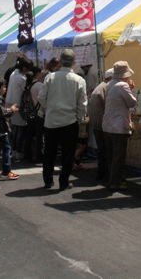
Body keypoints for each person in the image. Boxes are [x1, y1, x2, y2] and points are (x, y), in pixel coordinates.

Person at [38, 49, 87, 190]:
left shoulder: (50, 77)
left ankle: (48, 181)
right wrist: (78, 117)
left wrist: (50, 108)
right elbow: (83, 104)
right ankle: (63, 182)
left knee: (49, 152)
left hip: (51, 120)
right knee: (68, 154)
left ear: (60, 61)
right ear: (73, 62)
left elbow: (41, 97)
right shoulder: (79, 80)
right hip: (70, 121)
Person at [102, 61, 137, 191]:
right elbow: (132, 102)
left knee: (111, 155)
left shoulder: (110, 84)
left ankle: (112, 179)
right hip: (118, 125)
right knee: (119, 156)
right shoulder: (123, 85)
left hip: (108, 124)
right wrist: (131, 89)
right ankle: (115, 182)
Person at [88, 68, 113, 181]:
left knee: (102, 150)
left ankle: (102, 172)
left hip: (97, 124)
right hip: (103, 124)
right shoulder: (106, 88)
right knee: (106, 151)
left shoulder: (100, 87)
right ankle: (106, 174)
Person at [6, 57, 33, 161]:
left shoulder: (14, 73)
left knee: (13, 129)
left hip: (9, 102)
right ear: (24, 67)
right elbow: (24, 91)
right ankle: (16, 152)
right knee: (19, 129)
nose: (28, 71)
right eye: (28, 68)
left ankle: (11, 151)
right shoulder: (22, 78)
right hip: (17, 104)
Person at [28, 66, 46, 163]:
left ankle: (33, 154)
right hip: (40, 113)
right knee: (40, 136)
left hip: (33, 112)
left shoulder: (31, 84)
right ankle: (39, 155)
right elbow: (43, 100)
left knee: (34, 135)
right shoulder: (39, 85)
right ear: (38, 74)